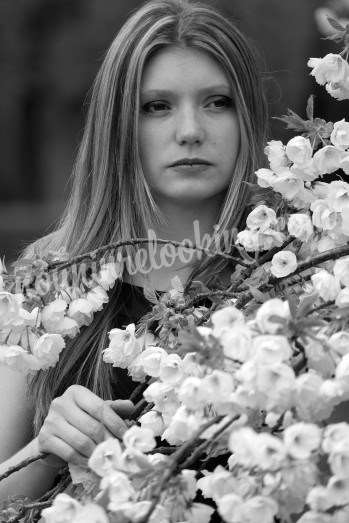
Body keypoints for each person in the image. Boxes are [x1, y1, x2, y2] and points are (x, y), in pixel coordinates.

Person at [0, 0, 267, 501]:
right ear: (118, 124)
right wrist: (47, 448)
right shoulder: (52, 279)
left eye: (217, 102)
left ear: (247, 115)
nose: (190, 130)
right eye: (156, 106)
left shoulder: (301, 269)